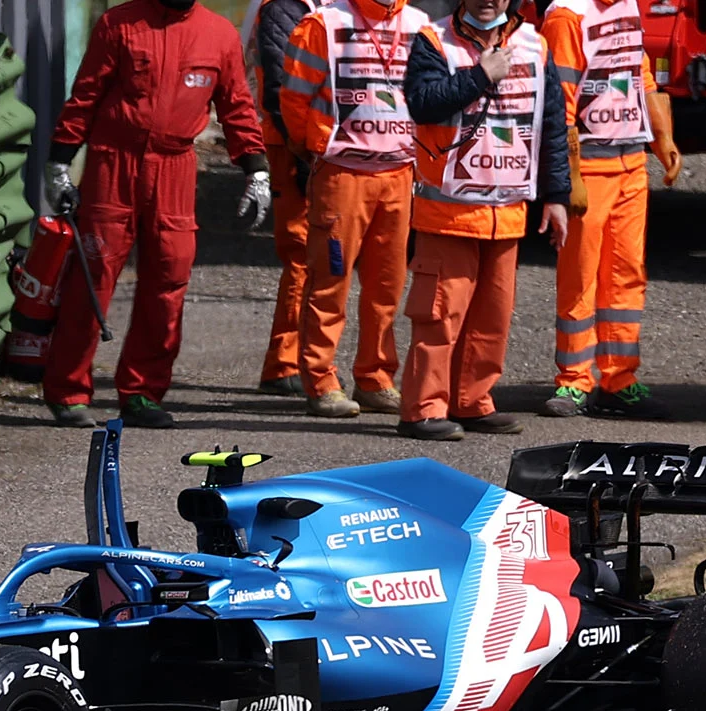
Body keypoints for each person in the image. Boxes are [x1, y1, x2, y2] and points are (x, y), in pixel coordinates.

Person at [42, 0, 272, 430]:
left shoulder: (218, 34)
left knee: (170, 276)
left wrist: (256, 171)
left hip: (176, 167)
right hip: (115, 163)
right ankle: (68, 391)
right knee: (93, 277)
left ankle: (143, 393)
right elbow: (86, 96)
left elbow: (237, 106)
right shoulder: (120, 24)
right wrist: (59, 162)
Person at [398, 0, 571, 440]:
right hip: (449, 211)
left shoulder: (536, 45)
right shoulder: (433, 41)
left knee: (492, 318)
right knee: (440, 316)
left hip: (507, 211)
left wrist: (556, 196)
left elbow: (552, 123)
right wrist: (479, 77)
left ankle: (472, 401)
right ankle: (422, 410)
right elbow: (422, 104)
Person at [281, 0, 431, 420]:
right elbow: (293, 99)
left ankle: (375, 378)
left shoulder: (420, 24)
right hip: (342, 174)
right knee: (330, 281)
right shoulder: (324, 24)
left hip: (399, 174)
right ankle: (321, 381)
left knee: (387, 286)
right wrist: (313, 146)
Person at [538, 0, 681, 420]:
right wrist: (568, 175)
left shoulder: (628, 7)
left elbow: (641, 76)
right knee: (580, 274)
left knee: (626, 275)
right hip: (592, 166)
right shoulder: (568, 16)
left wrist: (663, 137)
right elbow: (556, 103)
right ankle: (574, 382)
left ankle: (620, 380)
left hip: (630, 163)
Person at [252, 0, 318, 397]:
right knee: (302, 253)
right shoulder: (284, 8)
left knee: (317, 258)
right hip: (292, 145)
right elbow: (280, 86)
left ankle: (299, 361)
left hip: (313, 145)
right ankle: (284, 363)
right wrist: (303, 149)